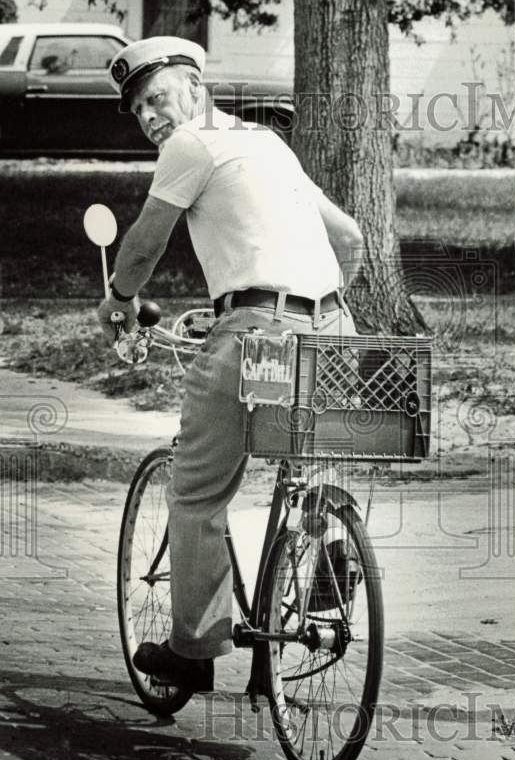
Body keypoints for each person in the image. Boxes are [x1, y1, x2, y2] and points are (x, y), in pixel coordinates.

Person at [98, 36, 364, 693]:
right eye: (138, 110)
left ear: (194, 87)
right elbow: (349, 238)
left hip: (254, 330)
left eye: (158, 98)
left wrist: (118, 301)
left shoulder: (192, 144)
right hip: (334, 326)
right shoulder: (267, 143)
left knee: (194, 488)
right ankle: (326, 545)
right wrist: (311, 303)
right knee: (305, 451)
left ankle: (196, 647)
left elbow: (143, 243)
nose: (151, 117)